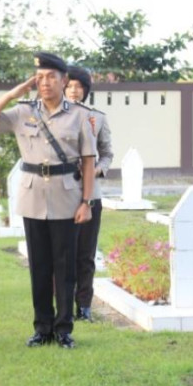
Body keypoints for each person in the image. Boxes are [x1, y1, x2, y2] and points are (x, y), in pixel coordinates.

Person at [0, 52, 96, 350]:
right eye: (39, 78)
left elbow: (89, 161)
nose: (44, 83)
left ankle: (64, 328)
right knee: (39, 266)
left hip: (67, 196)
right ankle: (42, 328)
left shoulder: (80, 115)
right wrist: (13, 94)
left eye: (50, 77)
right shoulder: (23, 111)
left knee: (65, 267)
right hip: (32, 197)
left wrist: (86, 202)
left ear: (63, 80)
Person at [65, 66, 114, 322]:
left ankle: (84, 305)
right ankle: (62, 303)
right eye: (70, 85)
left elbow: (107, 153)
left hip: (90, 194)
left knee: (85, 254)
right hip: (61, 195)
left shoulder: (97, 118)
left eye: (79, 86)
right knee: (63, 254)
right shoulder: (52, 117)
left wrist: (97, 170)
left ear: (86, 90)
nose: (74, 90)